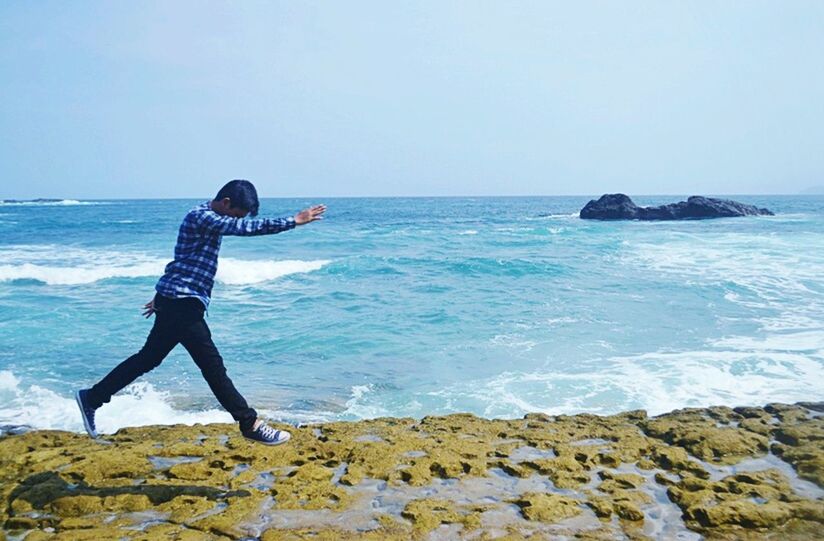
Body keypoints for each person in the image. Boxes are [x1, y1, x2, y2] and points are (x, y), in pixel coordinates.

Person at [75, 180, 326, 445]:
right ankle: (249, 422)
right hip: (183, 304)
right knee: (212, 366)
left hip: (177, 300)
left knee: (148, 359)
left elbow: (186, 260)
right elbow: (243, 228)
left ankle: (91, 398)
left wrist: (161, 295)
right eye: (236, 214)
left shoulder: (206, 217)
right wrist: (293, 221)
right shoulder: (202, 216)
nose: (236, 220)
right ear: (226, 203)